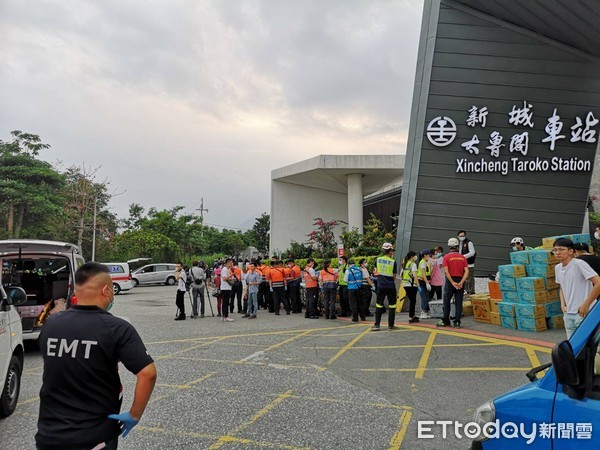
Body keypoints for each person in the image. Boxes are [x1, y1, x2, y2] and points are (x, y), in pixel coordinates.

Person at [36, 262, 156, 450]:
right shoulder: (118, 328)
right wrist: (134, 415)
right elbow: (147, 373)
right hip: (94, 438)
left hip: (49, 435)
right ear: (107, 291)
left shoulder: (52, 324)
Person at [553, 238, 600, 338]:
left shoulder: (579, 264)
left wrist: (586, 304)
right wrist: (562, 305)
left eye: (561, 249)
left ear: (571, 251)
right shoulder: (557, 268)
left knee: (589, 348)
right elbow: (562, 287)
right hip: (568, 314)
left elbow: (598, 283)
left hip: (584, 313)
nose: (557, 252)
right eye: (555, 250)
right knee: (573, 348)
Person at [437, 237, 469, 328]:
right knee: (459, 302)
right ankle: (457, 321)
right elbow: (466, 271)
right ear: (457, 246)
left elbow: (446, 271)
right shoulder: (462, 257)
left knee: (446, 301)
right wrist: (461, 282)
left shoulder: (446, 257)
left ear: (448, 246)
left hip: (450, 281)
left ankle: (446, 320)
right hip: (460, 281)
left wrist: (452, 282)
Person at [372, 243, 400, 331]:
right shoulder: (393, 262)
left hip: (380, 285)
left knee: (379, 305)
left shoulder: (377, 260)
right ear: (390, 251)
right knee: (392, 305)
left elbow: (375, 273)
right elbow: (394, 276)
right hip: (390, 285)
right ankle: (391, 325)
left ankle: (377, 325)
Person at [401, 251, 420, 324]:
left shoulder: (405, 264)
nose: (416, 257)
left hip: (405, 284)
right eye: (415, 256)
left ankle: (413, 315)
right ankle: (411, 317)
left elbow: (401, 274)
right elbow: (415, 275)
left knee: (412, 300)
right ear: (412, 256)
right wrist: (418, 284)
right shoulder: (413, 264)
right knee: (413, 301)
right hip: (411, 285)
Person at [457, 230, 476, 295]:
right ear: (458, 236)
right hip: (462, 264)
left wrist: (463, 256)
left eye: (463, 236)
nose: (462, 237)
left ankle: (471, 292)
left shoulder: (469, 243)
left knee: (470, 278)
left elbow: (472, 252)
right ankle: (466, 291)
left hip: (469, 263)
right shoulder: (459, 244)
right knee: (464, 278)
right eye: (460, 236)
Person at [418, 249, 433, 319]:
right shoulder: (422, 262)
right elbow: (423, 274)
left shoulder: (426, 262)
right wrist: (427, 283)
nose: (429, 256)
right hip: (422, 282)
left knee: (426, 297)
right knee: (424, 297)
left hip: (425, 281)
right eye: (428, 255)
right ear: (424, 255)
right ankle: (423, 312)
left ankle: (425, 311)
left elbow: (429, 273)